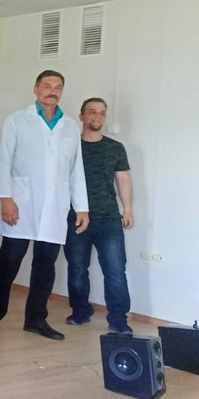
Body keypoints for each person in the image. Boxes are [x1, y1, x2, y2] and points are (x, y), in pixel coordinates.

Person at [0, 70, 89, 341]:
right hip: (20, 204)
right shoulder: (17, 120)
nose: (52, 91)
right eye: (47, 85)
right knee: (9, 262)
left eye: (58, 86)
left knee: (45, 266)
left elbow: (76, 170)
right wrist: (6, 198)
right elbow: (4, 160)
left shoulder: (70, 127)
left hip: (54, 206)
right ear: (36, 89)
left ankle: (36, 319)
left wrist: (81, 207)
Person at [64, 98, 134, 334]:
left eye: (102, 113)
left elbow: (123, 179)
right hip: (75, 218)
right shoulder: (70, 147)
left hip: (109, 219)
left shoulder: (115, 148)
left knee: (115, 271)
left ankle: (118, 320)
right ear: (81, 116)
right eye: (92, 112)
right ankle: (80, 311)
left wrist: (128, 209)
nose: (97, 116)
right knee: (77, 270)